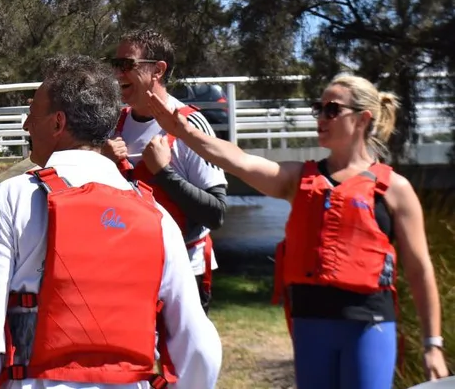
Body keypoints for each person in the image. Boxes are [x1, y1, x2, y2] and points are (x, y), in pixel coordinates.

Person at [144, 73, 450, 388]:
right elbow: (238, 161)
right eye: (319, 108)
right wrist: (180, 130)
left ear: (363, 119)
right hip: (310, 322)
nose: (321, 116)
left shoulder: (394, 189)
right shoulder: (297, 178)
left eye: (332, 109)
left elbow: (419, 270)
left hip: (369, 326)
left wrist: (432, 344)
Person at [0, 55, 222, 389]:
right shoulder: (158, 218)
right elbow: (199, 347)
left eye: (32, 114)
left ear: (57, 123)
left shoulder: (12, 200)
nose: (25, 126)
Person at [102, 29, 227, 313]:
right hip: (129, 271)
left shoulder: (190, 126)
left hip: (183, 272)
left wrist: (164, 173)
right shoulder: (113, 126)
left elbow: (216, 213)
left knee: (185, 360)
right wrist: (102, 163)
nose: (117, 74)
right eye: (114, 64)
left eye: (126, 64)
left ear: (157, 70)